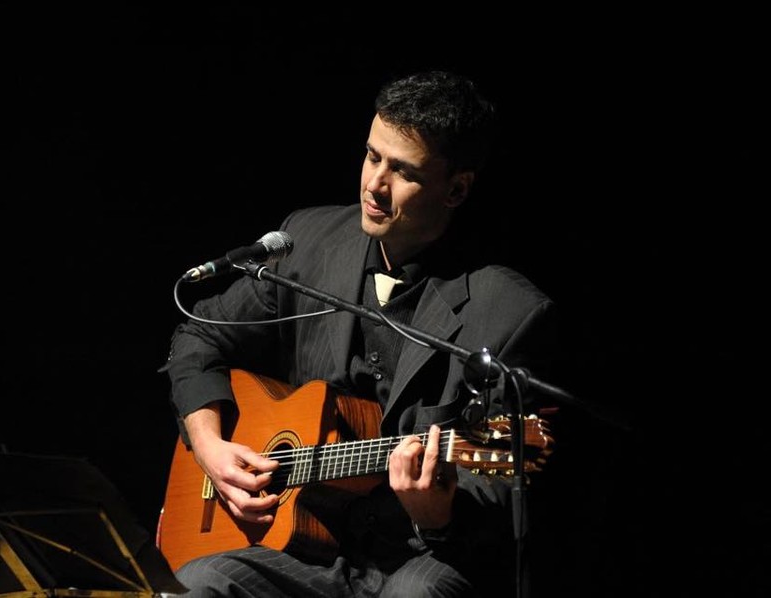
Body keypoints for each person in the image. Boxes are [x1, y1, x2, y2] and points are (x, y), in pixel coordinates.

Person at [160, 70, 558, 597]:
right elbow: (198, 340)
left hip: (422, 555)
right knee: (200, 582)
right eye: (372, 157)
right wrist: (210, 445)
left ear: (457, 189)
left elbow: (507, 497)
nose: (374, 184)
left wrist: (437, 515)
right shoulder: (307, 242)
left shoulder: (508, 310)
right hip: (307, 546)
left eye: (403, 171)